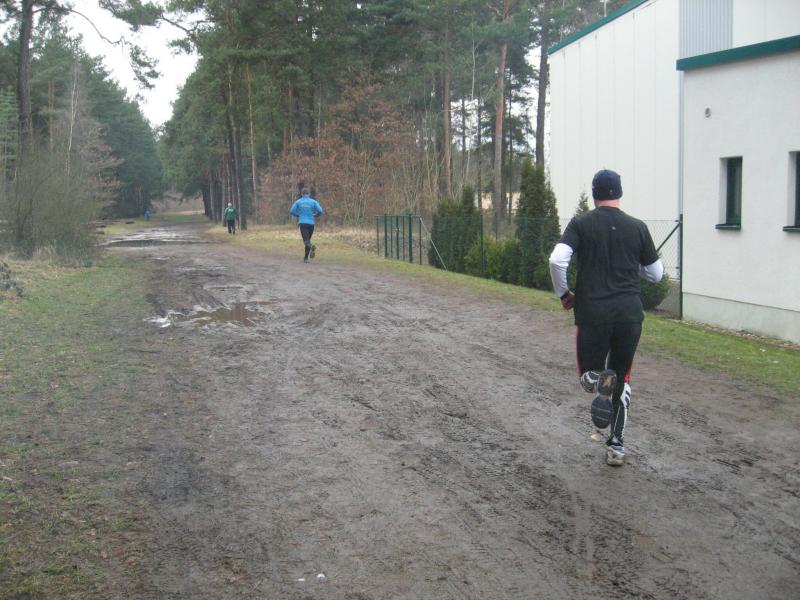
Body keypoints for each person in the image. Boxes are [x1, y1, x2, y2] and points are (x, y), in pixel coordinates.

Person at [549, 169, 663, 466]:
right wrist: (632, 265)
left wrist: (564, 294)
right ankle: (616, 447)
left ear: (594, 194)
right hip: (629, 315)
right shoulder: (638, 227)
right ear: (619, 194)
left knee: (589, 378)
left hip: (593, 313)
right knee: (622, 378)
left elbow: (557, 260)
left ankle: (601, 379)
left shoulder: (581, 224)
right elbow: (656, 274)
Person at [289, 188, 324, 263]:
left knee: (306, 241)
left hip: (303, 223)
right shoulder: (313, 201)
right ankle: (306, 258)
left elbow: (291, 211)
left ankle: (311, 247)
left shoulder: (298, 201)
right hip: (311, 223)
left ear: (302, 194)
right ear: (309, 194)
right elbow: (320, 211)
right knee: (308, 240)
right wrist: (316, 215)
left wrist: (298, 215)